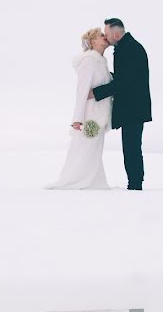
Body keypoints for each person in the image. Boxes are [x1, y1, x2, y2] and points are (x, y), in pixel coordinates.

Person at [45, 28, 113, 190]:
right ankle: (75, 180)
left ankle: (93, 182)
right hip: (91, 116)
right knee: (85, 148)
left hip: (100, 115)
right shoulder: (89, 61)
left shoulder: (101, 62)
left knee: (94, 150)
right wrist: (77, 119)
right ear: (93, 42)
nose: (105, 37)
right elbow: (81, 91)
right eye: (101, 36)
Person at [90, 18, 152, 191]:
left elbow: (123, 82)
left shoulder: (129, 50)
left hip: (134, 108)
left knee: (132, 148)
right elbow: (123, 78)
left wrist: (96, 92)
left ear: (116, 34)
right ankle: (134, 183)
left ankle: (135, 185)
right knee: (131, 147)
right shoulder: (126, 47)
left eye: (107, 34)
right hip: (133, 107)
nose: (106, 37)